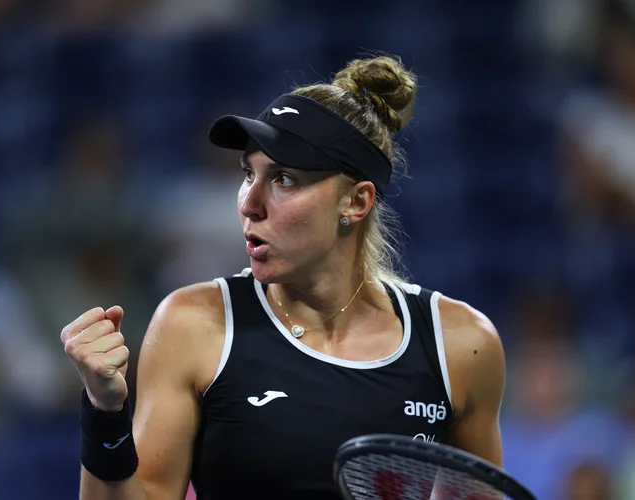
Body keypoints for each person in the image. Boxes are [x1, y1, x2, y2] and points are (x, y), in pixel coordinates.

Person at [61, 54, 507, 500]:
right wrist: (105, 414)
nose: (248, 203)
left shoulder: (461, 346)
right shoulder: (192, 325)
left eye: (285, 179)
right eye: (248, 173)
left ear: (356, 202)